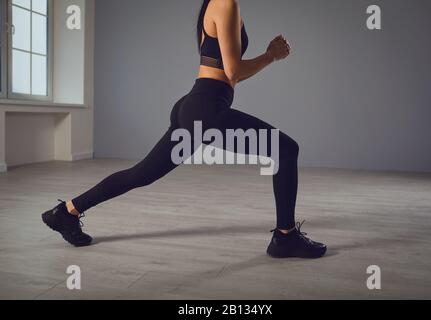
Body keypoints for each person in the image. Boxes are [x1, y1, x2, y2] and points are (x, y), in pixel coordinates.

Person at [42, 0, 327, 258]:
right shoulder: (226, 3)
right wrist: (270, 56)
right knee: (286, 150)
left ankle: (66, 211)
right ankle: (285, 237)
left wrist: (265, 57)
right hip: (206, 107)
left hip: (195, 106)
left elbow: (225, 72)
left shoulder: (214, 5)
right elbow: (233, 73)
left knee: (141, 173)